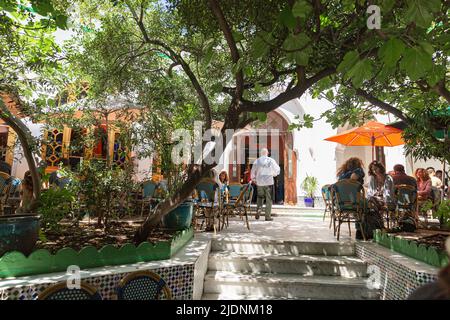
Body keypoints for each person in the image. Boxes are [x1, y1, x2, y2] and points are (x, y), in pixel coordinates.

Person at [251, 148, 280, 221]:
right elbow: (277, 169)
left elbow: (253, 171)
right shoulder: (271, 160)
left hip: (260, 183)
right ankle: (267, 216)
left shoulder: (257, 161)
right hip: (269, 183)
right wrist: (274, 174)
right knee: (269, 200)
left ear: (261, 153)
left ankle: (258, 211)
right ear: (267, 153)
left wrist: (254, 179)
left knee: (260, 198)